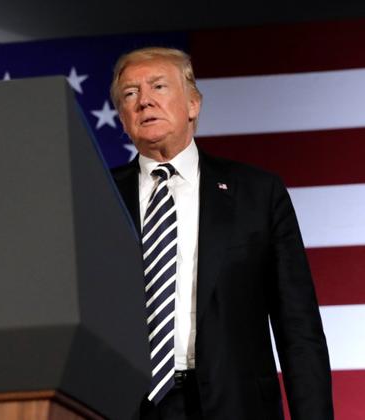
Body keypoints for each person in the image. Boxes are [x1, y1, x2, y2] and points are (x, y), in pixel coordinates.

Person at [110, 47, 333, 420]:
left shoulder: (257, 194)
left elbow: (298, 327)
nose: (144, 101)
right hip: (127, 406)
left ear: (193, 105)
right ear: (122, 117)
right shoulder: (99, 194)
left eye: (158, 86)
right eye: (130, 94)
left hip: (236, 404)